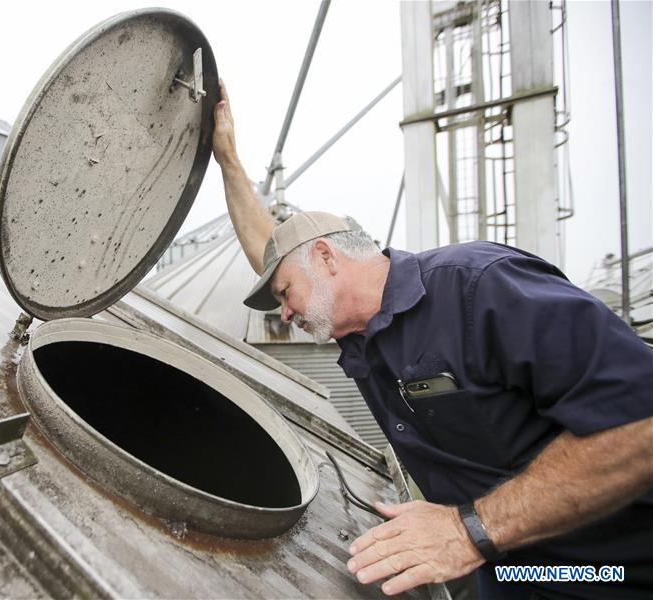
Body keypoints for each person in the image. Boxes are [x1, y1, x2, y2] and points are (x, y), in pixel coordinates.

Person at [211, 80, 653, 599]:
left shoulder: (480, 288)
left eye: (285, 294)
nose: (284, 314)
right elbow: (274, 250)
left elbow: (641, 425)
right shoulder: (358, 332)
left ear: (328, 258)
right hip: (513, 570)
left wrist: (471, 528)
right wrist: (228, 162)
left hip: (609, 573)